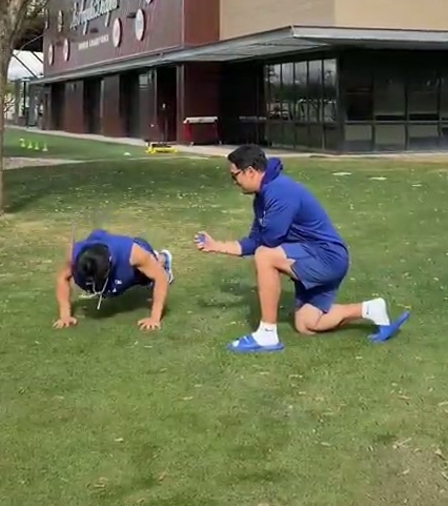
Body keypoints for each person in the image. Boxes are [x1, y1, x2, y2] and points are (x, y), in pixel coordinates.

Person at [194, 144, 409, 354]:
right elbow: (254, 239)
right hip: (314, 256)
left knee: (265, 256)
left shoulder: (279, 192)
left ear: (250, 172)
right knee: (306, 324)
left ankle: (267, 333)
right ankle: (371, 309)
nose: (234, 182)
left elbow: (267, 242)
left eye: (235, 175)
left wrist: (252, 248)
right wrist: (217, 246)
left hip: (327, 258)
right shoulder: (263, 197)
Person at [54, 228, 174, 332]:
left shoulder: (133, 254)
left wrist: (154, 318)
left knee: (149, 275)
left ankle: (163, 258)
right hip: (102, 248)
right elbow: (62, 278)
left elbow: (161, 277)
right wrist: (65, 316)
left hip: (133, 251)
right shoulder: (74, 256)